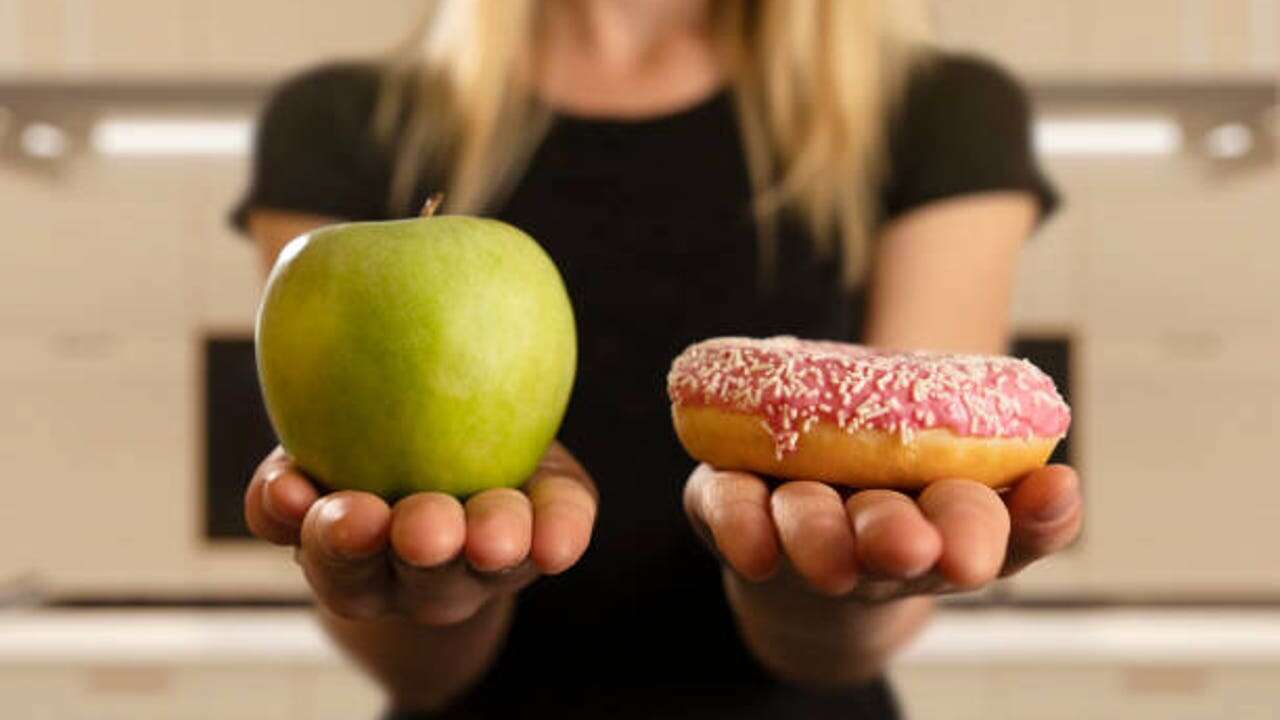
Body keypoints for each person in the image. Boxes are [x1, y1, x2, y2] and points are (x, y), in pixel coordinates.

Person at [234, 1, 1084, 717]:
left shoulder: (937, 111)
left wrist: (817, 595)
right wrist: (432, 597)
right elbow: (406, 663)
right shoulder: (340, 123)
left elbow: (918, 483)